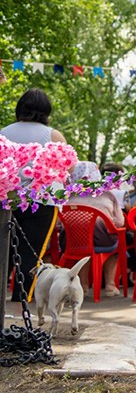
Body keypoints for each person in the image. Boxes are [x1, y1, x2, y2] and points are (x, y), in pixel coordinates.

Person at [2, 89, 69, 301]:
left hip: (5, 200)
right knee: (31, 255)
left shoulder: (3, 132)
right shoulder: (53, 135)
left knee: (3, 254)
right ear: (46, 111)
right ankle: (23, 302)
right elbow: (65, 170)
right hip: (41, 202)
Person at [63, 160, 127, 296]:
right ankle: (110, 285)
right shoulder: (107, 194)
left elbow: (58, 224)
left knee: (84, 248)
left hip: (72, 242)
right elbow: (120, 222)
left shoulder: (66, 196)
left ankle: (84, 285)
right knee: (115, 246)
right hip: (102, 240)